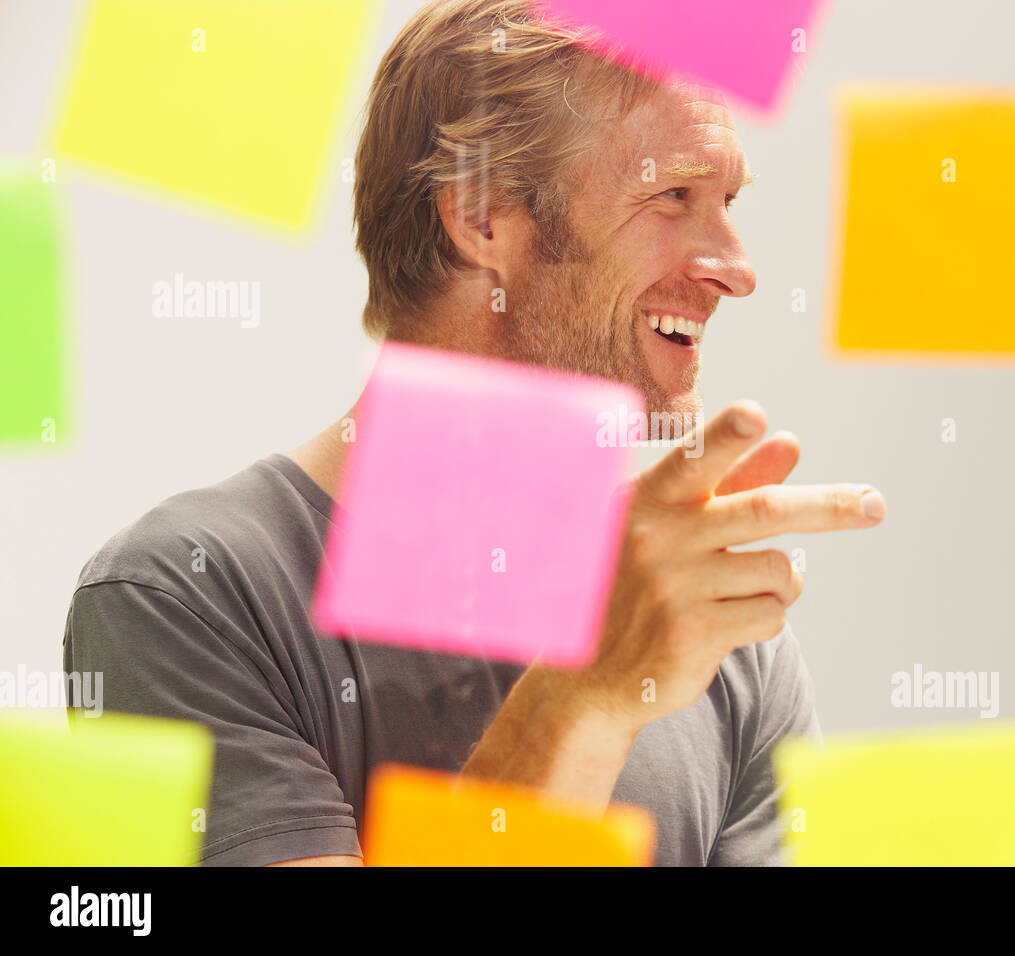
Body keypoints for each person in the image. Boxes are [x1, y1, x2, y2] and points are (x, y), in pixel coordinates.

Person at [63, 0, 886, 866]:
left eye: (728, 201)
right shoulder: (185, 597)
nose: (738, 268)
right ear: (485, 217)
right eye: (674, 195)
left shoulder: (708, 629)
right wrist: (588, 692)